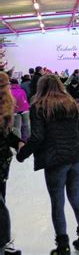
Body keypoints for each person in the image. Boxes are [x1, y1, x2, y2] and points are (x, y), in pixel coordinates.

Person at [16, 74, 79, 255]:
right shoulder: (71, 104)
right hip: (76, 158)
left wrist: (22, 154)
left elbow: (37, 137)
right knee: (75, 197)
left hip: (55, 161)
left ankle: (63, 246)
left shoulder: (39, 106)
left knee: (57, 202)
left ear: (40, 88)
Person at [0, 72, 22, 255]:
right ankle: (3, 244)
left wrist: (18, 142)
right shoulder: (5, 105)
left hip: (2, 161)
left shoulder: (6, 106)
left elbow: (6, 134)